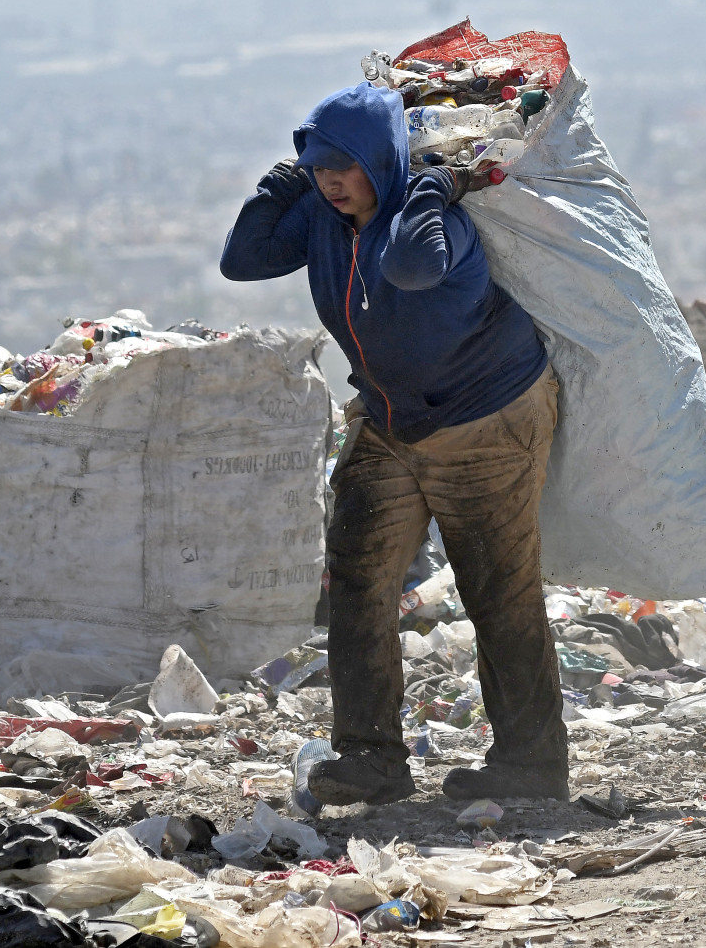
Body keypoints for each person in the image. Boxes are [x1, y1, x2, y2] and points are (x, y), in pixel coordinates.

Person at [219, 82, 567, 805]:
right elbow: (243, 258)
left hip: (486, 414)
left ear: (383, 159)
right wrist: (282, 180)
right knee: (356, 578)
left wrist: (432, 185)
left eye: (344, 165)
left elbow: (411, 266)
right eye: (318, 166)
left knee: (496, 587)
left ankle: (532, 764)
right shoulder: (321, 213)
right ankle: (371, 755)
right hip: (391, 416)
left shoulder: (433, 218)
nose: (331, 181)